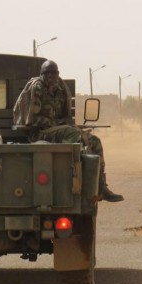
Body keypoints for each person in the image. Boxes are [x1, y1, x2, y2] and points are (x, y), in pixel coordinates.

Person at [13, 60, 124, 202]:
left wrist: (68, 123)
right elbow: (33, 120)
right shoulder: (38, 88)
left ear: (58, 74)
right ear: (41, 74)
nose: (51, 76)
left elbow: (64, 116)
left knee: (94, 141)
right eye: (47, 73)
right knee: (75, 136)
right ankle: (87, 187)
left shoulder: (60, 90)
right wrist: (60, 123)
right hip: (40, 133)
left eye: (54, 73)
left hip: (58, 131)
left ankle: (102, 187)